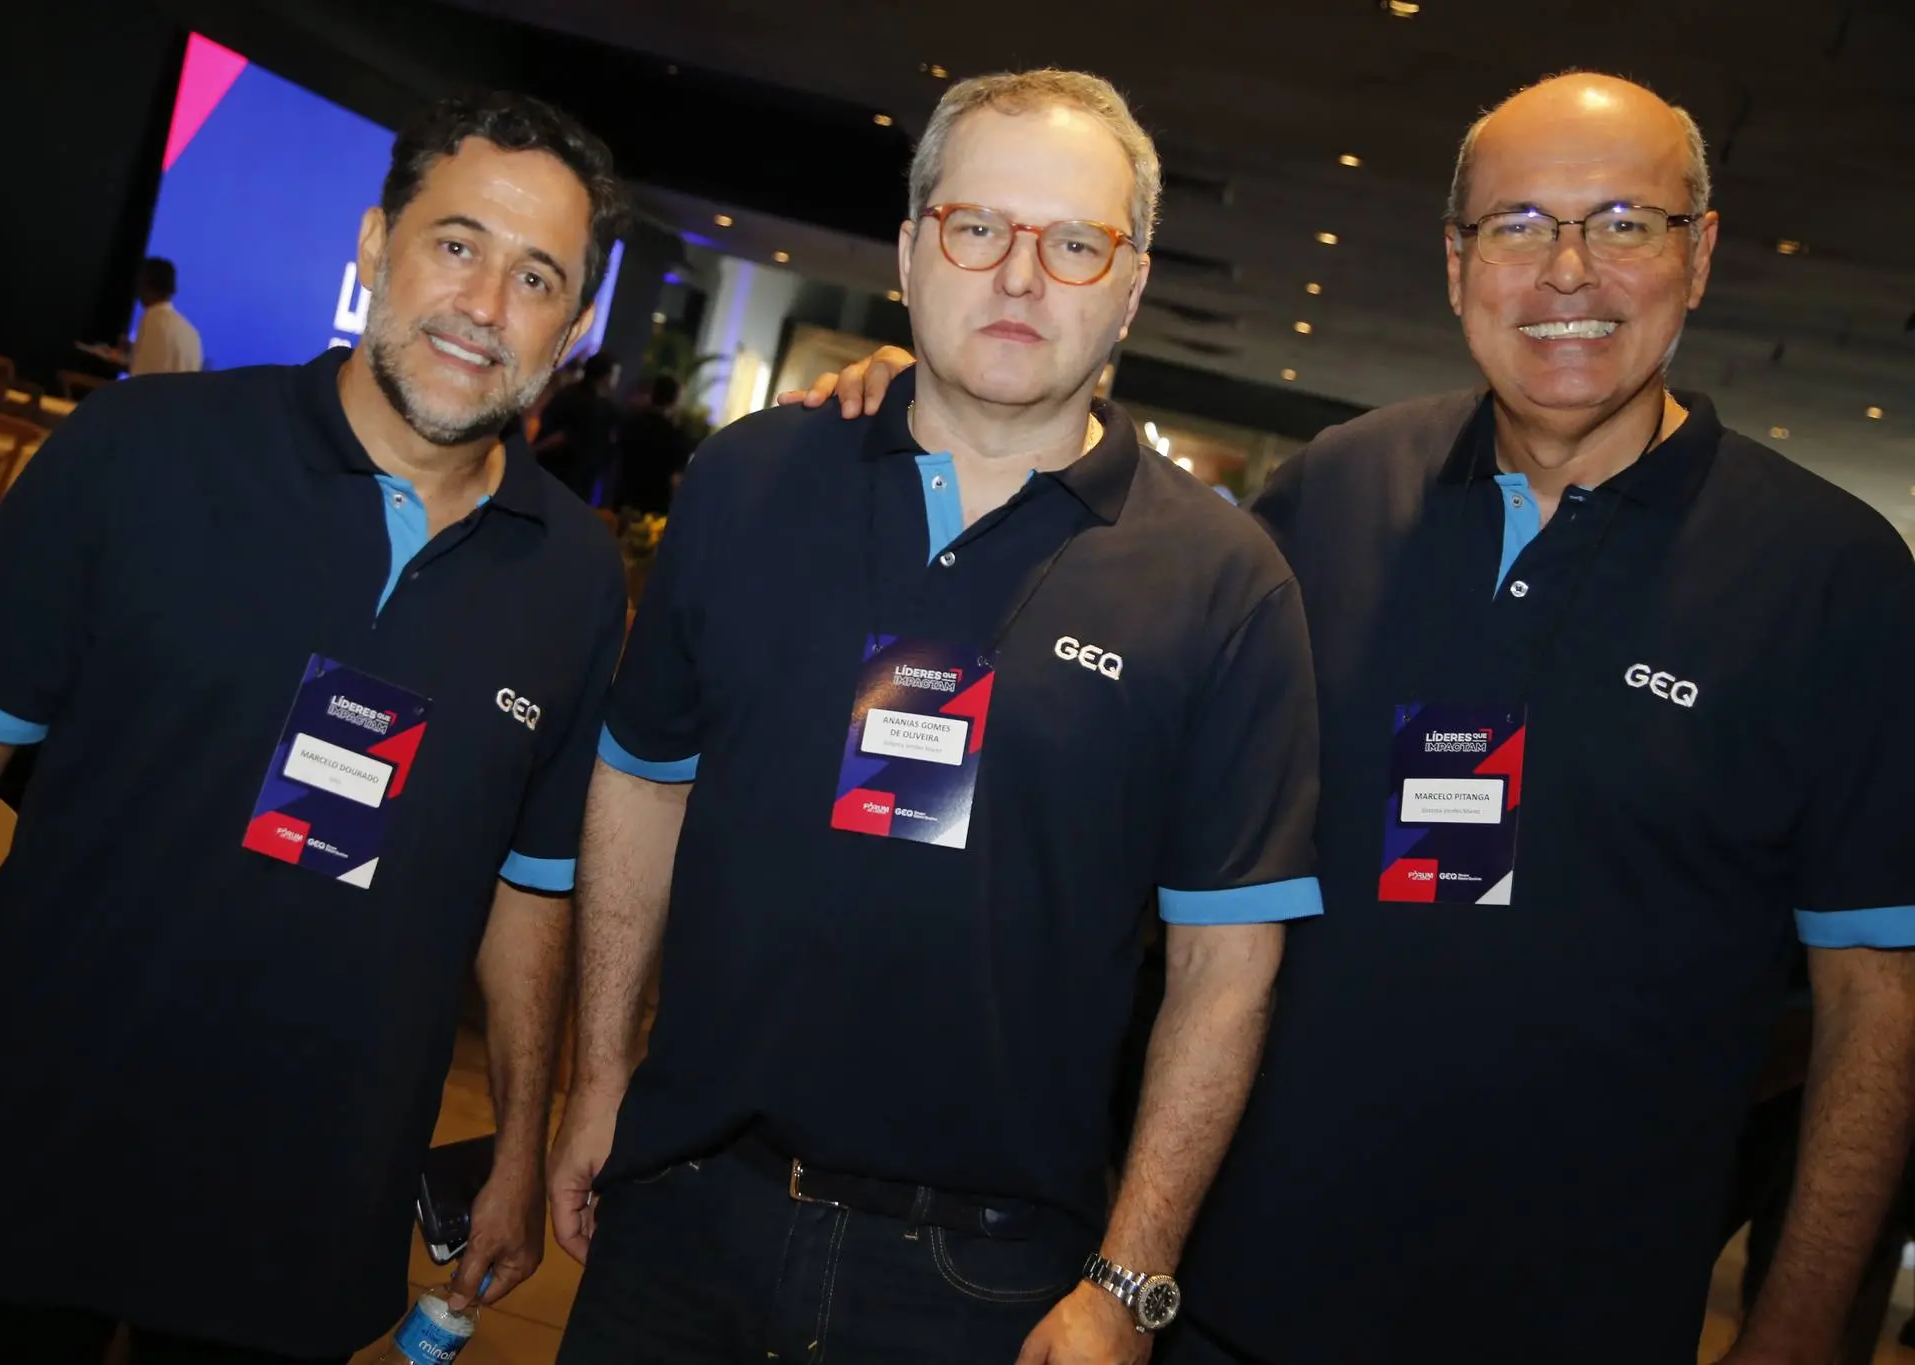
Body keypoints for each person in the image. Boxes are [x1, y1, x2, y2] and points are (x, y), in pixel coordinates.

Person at [790, 70, 1915, 1365]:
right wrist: (940, 401)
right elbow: (1117, 692)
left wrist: (1795, 1332)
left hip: (1577, 1322)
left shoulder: (1830, 583)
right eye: (1516, 225)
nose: (1567, 272)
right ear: (1455, 262)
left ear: (1697, 253)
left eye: (1623, 223)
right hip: (1227, 1299)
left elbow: (1876, 1008)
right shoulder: (1333, 496)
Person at [549, 68, 1321, 1365]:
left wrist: (1132, 1276)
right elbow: (641, 779)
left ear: (1130, 285)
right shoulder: (749, 481)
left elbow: (1225, 963)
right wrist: (599, 1074)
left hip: (986, 1283)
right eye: (978, 227)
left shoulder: (1224, 586)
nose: (1019, 276)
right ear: (912, 251)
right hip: (681, 1207)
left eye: (1073, 243)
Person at [0, 90, 629, 1364]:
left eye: (536, 277)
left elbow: (531, 890)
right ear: (374, 244)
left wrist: (517, 1146)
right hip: (6, 1170)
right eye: (456, 244)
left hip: (302, 1218)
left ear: (573, 325)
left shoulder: (573, 579)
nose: (485, 305)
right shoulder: (143, 451)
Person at [534, 348, 620, 502]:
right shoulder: (597, 407)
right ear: (606, 376)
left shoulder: (568, 394)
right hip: (573, 479)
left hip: (549, 473)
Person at [610, 373, 693, 515]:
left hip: (623, 502)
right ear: (675, 401)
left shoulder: (630, 424)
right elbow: (675, 480)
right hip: (654, 512)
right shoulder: (677, 437)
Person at [125, 257, 203, 375]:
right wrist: (134, 350)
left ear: (144, 284)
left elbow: (141, 379)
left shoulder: (152, 320)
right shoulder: (192, 333)